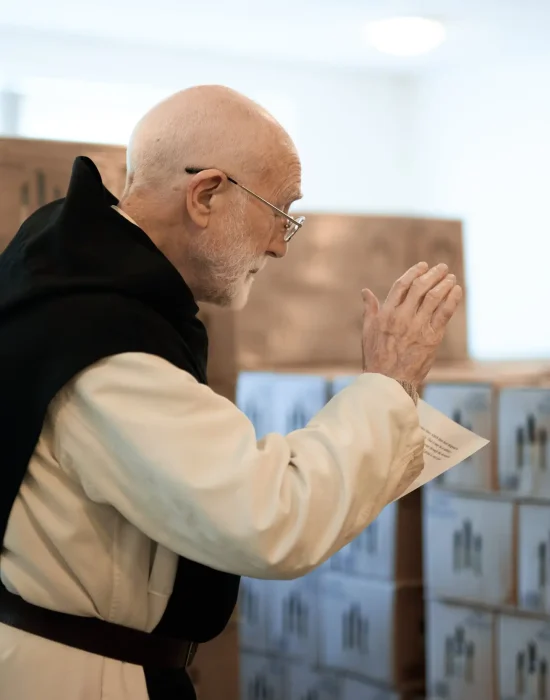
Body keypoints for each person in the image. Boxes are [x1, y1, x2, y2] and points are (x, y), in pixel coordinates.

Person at [0, 85, 462, 700]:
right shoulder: (101, 340)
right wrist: (388, 383)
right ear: (207, 195)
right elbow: (269, 518)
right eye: (281, 213)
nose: (278, 244)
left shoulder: (69, 279)